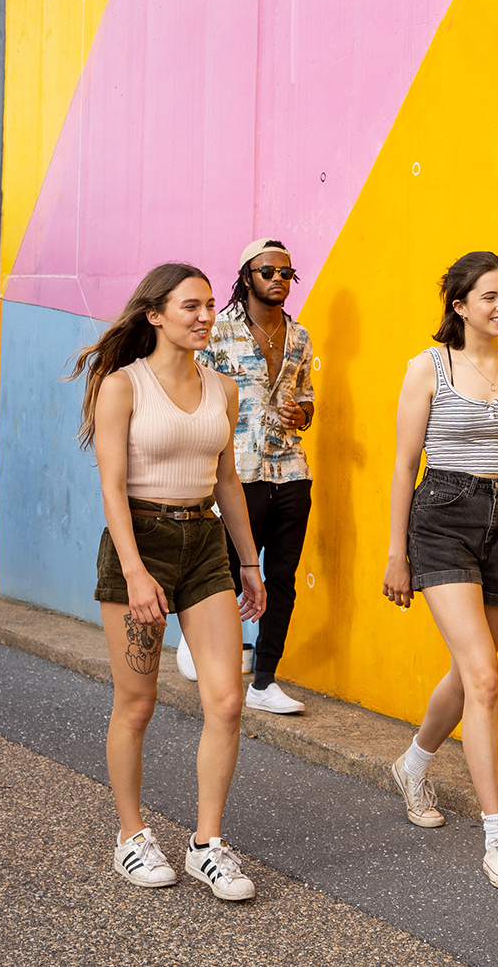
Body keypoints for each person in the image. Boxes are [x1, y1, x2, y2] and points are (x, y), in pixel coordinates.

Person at [71, 262, 270, 900]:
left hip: (205, 543)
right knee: (137, 703)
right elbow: (110, 487)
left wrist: (248, 561)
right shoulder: (123, 387)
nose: (206, 315)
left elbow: (228, 480)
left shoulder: (224, 388)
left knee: (228, 700)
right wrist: (133, 572)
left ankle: (206, 844)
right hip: (142, 542)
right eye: (191, 306)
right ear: (155, 315)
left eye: (210, 305)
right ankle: (132, 836)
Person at [381, 251, 498, 890]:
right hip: (443, 516)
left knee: (468, 672)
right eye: (489, 297)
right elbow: (404, 464)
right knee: (484, 677)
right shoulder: (427, 368)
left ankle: (413, 764)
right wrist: (397, 552)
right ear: (459, 306)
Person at [180, 237, 315, 714]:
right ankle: (196, 641)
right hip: (237, 469)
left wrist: (305, 415)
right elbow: (193, 391)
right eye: (267, 271)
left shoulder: (299, 337)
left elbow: (307, 397)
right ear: (246, 277)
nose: (278, 279)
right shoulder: (218, 333)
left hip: (291, 470)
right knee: (226, 570)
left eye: (285, 273)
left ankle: (264, 681)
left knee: (282, 578)